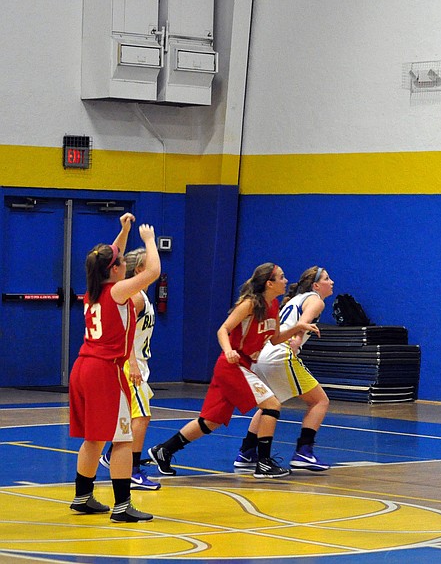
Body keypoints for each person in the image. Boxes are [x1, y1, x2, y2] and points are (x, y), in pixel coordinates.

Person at [147, 263, 319, 479]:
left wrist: (298, 328)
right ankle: (264, 463)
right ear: (269, 283)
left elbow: (275, 339)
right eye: (282, 277)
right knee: (272, 405)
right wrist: (228, 350)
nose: (286, 281)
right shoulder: (249, 304)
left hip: (242, 365)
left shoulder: (273, 305)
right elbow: (223, 329)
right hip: (232, 365)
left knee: (210, 421)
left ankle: (164, 450)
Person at [69, 213, 160, 523]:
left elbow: (108, 256)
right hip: (104, 371)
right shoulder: (119, 292)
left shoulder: (94, 289)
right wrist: (149, 241)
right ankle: (122, 506)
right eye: (119, 260)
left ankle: (83, 497)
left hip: (82, 367)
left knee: (93, 437)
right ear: (116, 270)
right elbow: (154, 270)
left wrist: (123, 231)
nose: (121, 260)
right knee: (122, 438)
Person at [234, 266, 334, 472]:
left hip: (263, 354)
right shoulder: (316, 300)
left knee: (270, 404)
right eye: (326, 278)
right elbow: (303, 323)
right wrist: (297, 340)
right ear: (316, 285)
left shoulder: (295, 299)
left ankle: (247, 451)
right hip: (280, 353)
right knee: (320, 401)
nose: (331, 282)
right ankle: (303, 453)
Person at [99, 247, 161, 491]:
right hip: (129, 365)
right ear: (140, 270)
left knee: (134, 416)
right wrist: (133, 362)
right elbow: (124, 330)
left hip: (137, 363)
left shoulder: (141, 297)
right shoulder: (135, 297)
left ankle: (111, 455)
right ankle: (132, 471)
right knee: (141, 416)